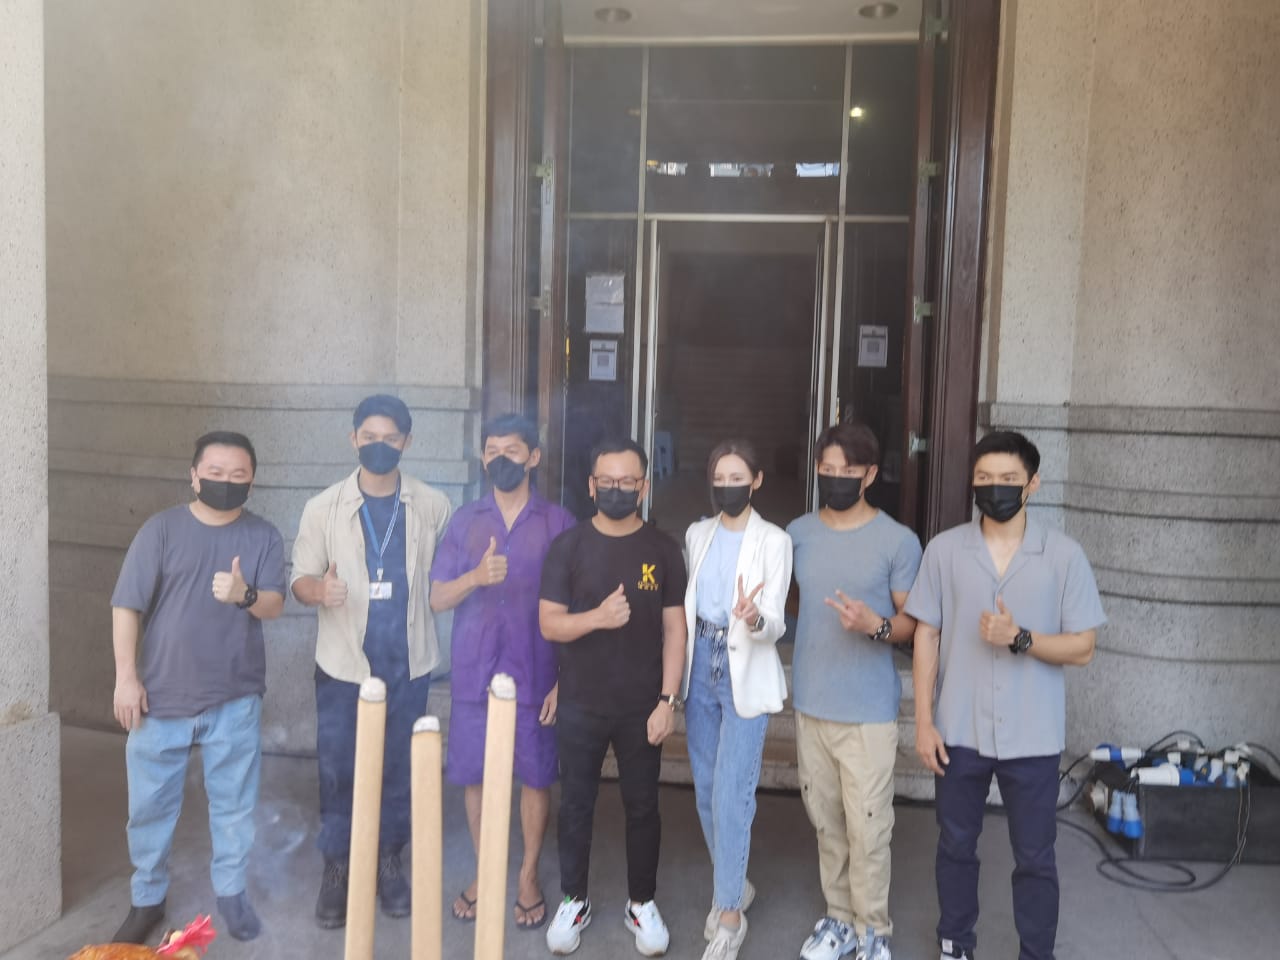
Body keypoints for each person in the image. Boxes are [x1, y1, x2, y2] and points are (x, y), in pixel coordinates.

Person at [907, 431, 1105, 960]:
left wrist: (1021, 638)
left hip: (1033, 734)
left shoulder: (1063, 556)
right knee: (955, 846)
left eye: (1008, 479)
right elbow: (926, 633)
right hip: (959, 729)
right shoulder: (945, 550)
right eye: (984, 478)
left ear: (1032, 484)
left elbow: (1083, 647)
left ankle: (1036, 953)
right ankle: (955, 944)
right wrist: (923, 720)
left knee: (1036, 856)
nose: (994, 488)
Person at [110, 431, 286, 944]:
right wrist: (126, 678)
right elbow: (126, 605)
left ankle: (231, 894)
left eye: (238, 475)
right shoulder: (160, 530)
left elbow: (274, 605)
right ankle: (147, 900)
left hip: (235, 697)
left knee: (234, 805)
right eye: (215, 472)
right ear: (193, 475)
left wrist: (244, 594)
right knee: (149, 808)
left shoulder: (264, 536)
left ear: (252, 481)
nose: (225, 482)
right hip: (160, 696)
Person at [290, 394, 452, 929]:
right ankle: (337, 866)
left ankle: (388, 860)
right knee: (339, 770)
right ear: (353, 438)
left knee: (400, 768)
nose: (379, 446)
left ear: (407, 441)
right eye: (369, 437)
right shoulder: (323, 507)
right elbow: (299, 580)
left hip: (408, 663)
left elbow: (444, 580)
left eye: (391, 438)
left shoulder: (432, 505)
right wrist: (320, 590)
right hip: (343, 666)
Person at [538, 437, 688, 957]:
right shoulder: (568, 547)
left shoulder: (663, 549)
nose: (617, 489)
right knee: (576, 805)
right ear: (591, 485)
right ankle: (574, 900)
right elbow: (550, 623)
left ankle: (641, 903)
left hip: (642, 705)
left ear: (643, 487)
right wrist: (599, 618)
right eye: (608, 481)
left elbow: (676, 629)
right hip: (580, 701)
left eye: (627, 482)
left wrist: (668, 700)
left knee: (643, 806)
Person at [429, 413, 575, 930]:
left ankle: (527, 875)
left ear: (533, 457)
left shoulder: (558, 523)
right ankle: (485, 868)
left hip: (537, 670)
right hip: (475, 670)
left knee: (535, 776)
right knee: (474, 774)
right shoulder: (465, 520)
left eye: (512, 451)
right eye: (491, 451)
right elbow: (437, 597)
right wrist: (475, 576)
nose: (500, 460)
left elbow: (576, 605)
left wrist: (563, 679)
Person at [787, 422, 922, 960]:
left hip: (867, 710)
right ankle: (839, 920)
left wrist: (876, 625)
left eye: (847, 470)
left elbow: (913, 624)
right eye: (827, 469)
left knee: (869, 828)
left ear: (870, 474)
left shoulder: (898, 540)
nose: (835, 478)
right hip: (811, 702)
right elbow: (790, 601)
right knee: (827, 823)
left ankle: (874, 932)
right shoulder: (797, 533)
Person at [681, 440, 792, 960]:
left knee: (732, 794)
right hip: (700, 662)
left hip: (744, 665)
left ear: (757, 481)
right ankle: (736, 883)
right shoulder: (697, 533)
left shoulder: (774, 540)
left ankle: (729, 914)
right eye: (720, 478)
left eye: (737, 478)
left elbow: (777, 622)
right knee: (706, 790)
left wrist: (753, 616)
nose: (728, 487)